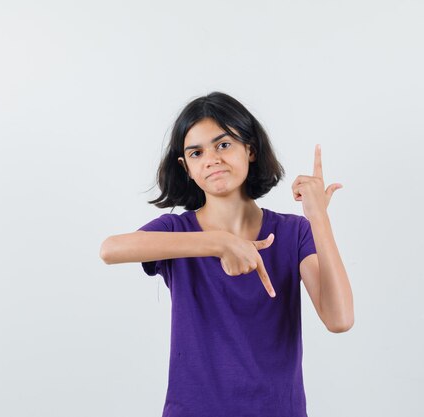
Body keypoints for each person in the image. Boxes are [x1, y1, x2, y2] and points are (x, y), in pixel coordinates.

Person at [99, 91, 354, 417]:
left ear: (250, 149)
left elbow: (340, 319)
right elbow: (110, 250)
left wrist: (318, 217)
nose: (211, 159)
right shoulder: (175, 232)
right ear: (186, 167)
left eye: (223, 144)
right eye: (196, 152)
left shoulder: (294, 232)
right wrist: (218, 243)